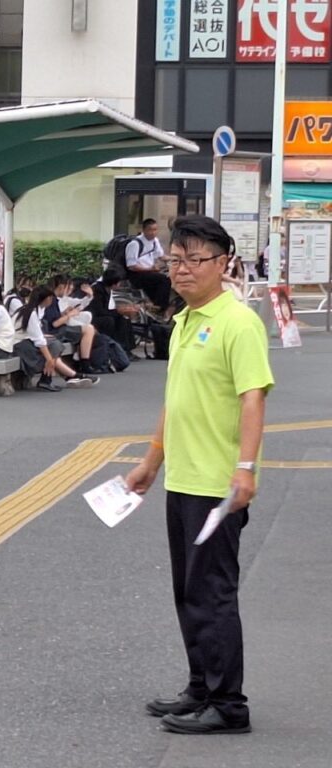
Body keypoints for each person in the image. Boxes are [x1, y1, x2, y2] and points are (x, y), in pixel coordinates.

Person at [125, 215, 274, 735]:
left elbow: (252, 397)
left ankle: (229, 705)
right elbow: (176, 399)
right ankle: (200, 687)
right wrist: (151, 460)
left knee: (213, 593)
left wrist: (246, 469)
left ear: (223, 263)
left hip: (217, 484)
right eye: (175, 259)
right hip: (183, 479)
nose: (182, 270)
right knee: (187, 590)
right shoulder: (186, 319)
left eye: (195, 259)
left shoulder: (238, 321)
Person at [11, 286, 98, 392]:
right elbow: (39, 341)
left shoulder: (30, 310)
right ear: (47, 299)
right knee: (54, 346)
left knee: (53, 343)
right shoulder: (32, 313)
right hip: (20, 346)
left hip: (23, 342)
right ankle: (58, 378)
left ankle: (66, 377)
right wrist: (49, 360)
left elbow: (33, 333)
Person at [41, 275, 100, 373]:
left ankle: (83, 361)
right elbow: (55, 324)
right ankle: (85, 362)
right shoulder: (52, 300)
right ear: (61, 287)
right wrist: (69, 315)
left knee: (89, 326)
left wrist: (65, 313)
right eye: (68, 287)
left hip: (57, 330)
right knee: (89, 329)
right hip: (57, 332)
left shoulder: (53, 299)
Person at [125, 218, 172, 316]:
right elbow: (131, 266)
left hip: (150, 272)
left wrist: (176, 259)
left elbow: (161, 256)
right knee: (164, 280)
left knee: (167, 276)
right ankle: (159, 306)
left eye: (155, 230)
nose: (153, 233)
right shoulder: (134, 244)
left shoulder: (155, 241)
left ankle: (156, 307)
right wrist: (150, 269)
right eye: (150, 230)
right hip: (137, 275)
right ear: (144, 230)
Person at [89, 268, 135, 352]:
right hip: (93, 317)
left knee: (124, 319)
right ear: (113, 283)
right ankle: (114, 347)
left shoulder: (107, 290)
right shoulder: (97, 290)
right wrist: (117, 311)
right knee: (109, 320)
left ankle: (126, 348)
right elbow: (99, 311)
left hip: (101, 314)